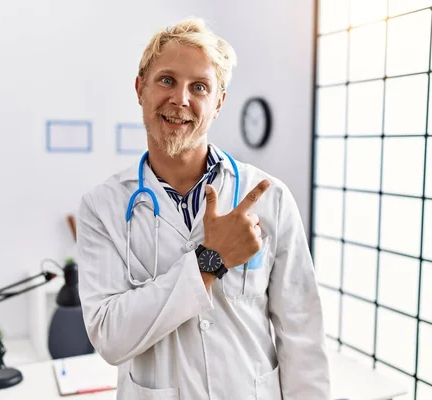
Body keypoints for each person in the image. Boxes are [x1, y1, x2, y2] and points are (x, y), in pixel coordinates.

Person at [77, 17, 330, 400]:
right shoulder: (102, 207)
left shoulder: (270, 197)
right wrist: (209, 261)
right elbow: (110, 338)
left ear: (218, 104)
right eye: (166, 80)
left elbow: (302, 336)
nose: (180, 99)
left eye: (199, 87)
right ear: (140, 88)